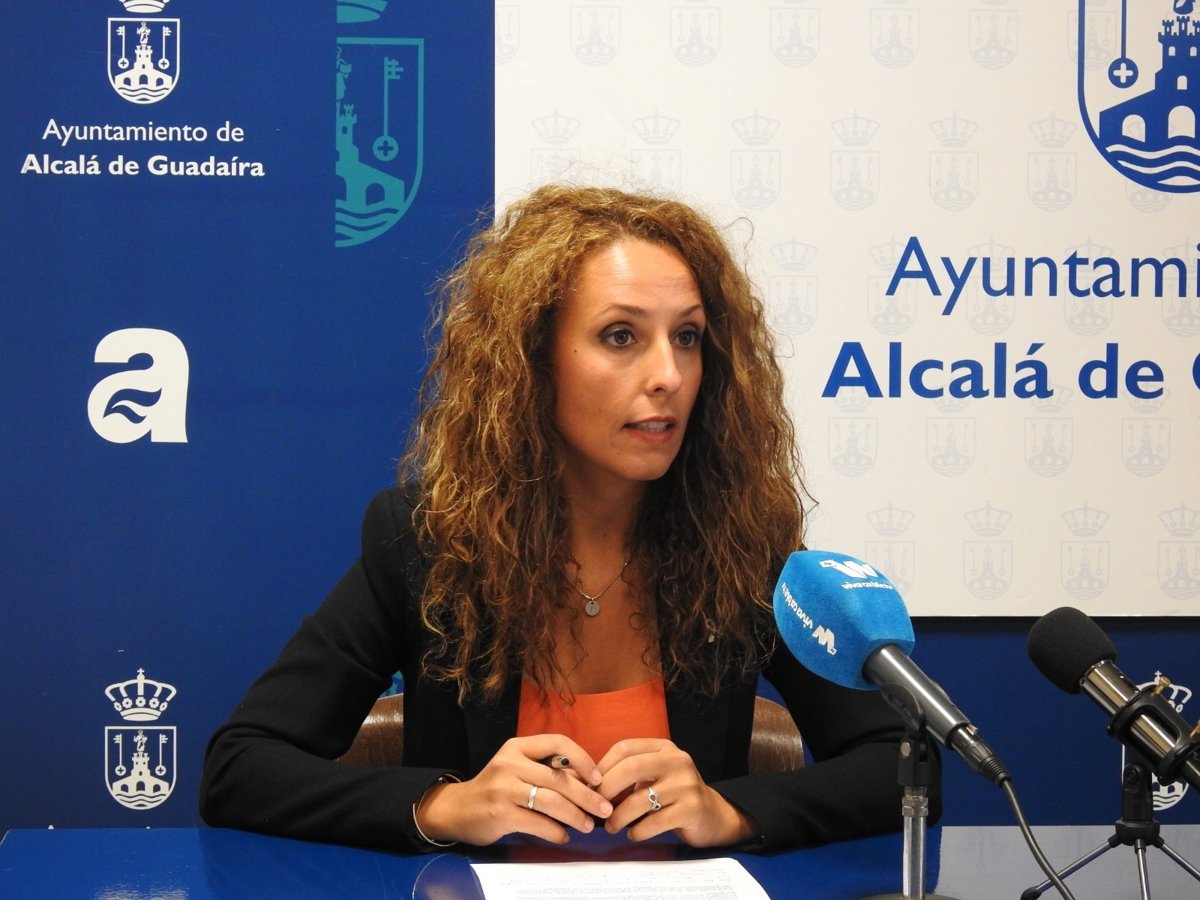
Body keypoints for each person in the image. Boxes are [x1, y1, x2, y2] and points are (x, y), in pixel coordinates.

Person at [199, 183, 938, 853]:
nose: (668, 375)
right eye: (621, 336)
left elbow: (908, 771)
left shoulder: (738, 545)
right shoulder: (428, 541)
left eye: (687, 337)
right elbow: (240, 767)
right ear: (533, 360)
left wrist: (731, 812)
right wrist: (446, 806)